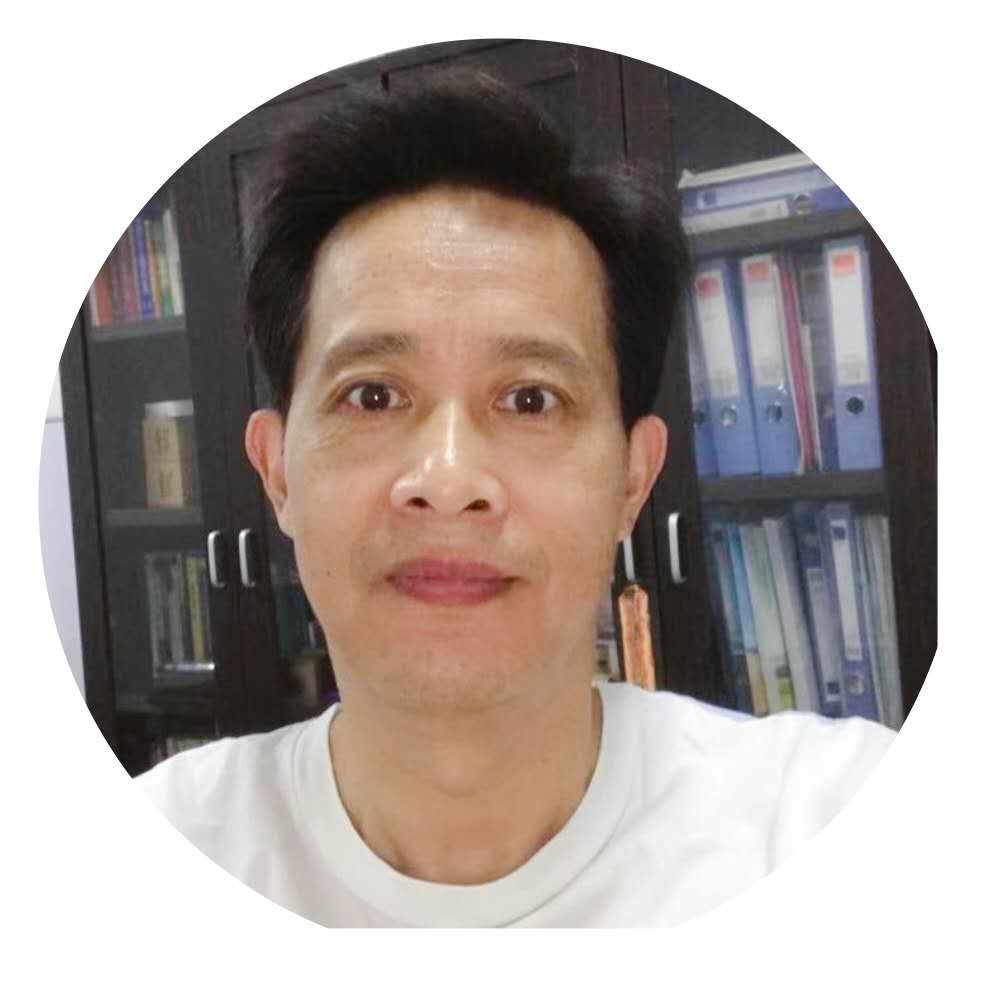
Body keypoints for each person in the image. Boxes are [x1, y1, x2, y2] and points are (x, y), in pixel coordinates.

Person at [136, 68, 894, 928]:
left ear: (633, 480)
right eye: (373, 396)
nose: (448, 481)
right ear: (276, 472)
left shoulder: (838, 827)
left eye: (531, 399)